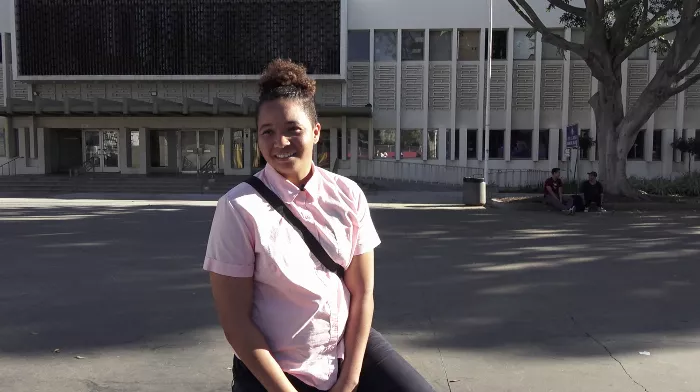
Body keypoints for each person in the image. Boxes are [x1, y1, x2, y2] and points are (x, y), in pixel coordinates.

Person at [203, 59, 434, 392]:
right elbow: (236, 324)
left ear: (315, 132)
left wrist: (350, 379)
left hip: (345, 347)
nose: (280, 142)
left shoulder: (347, 194)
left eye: (292, 129)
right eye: (268, 132)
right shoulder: (238, 208)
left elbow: (362, 292)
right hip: (275, 367)